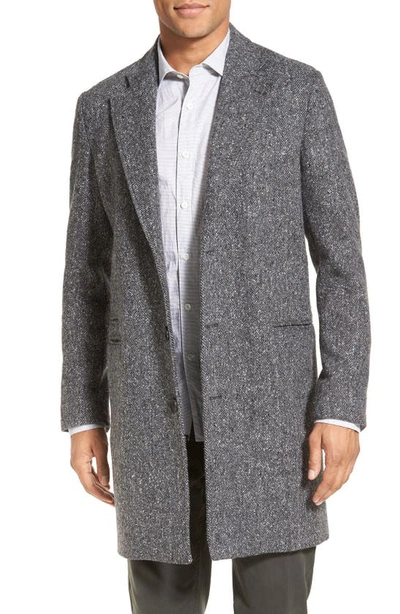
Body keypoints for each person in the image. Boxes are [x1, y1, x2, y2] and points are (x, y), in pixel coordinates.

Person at [60, 1, 371, 612]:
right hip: (150, 414)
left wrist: (341, 406)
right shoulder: (103, 106)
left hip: (274, 416)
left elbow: (340, 262)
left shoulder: (295, 91)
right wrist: (83, 414)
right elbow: (84, 274)